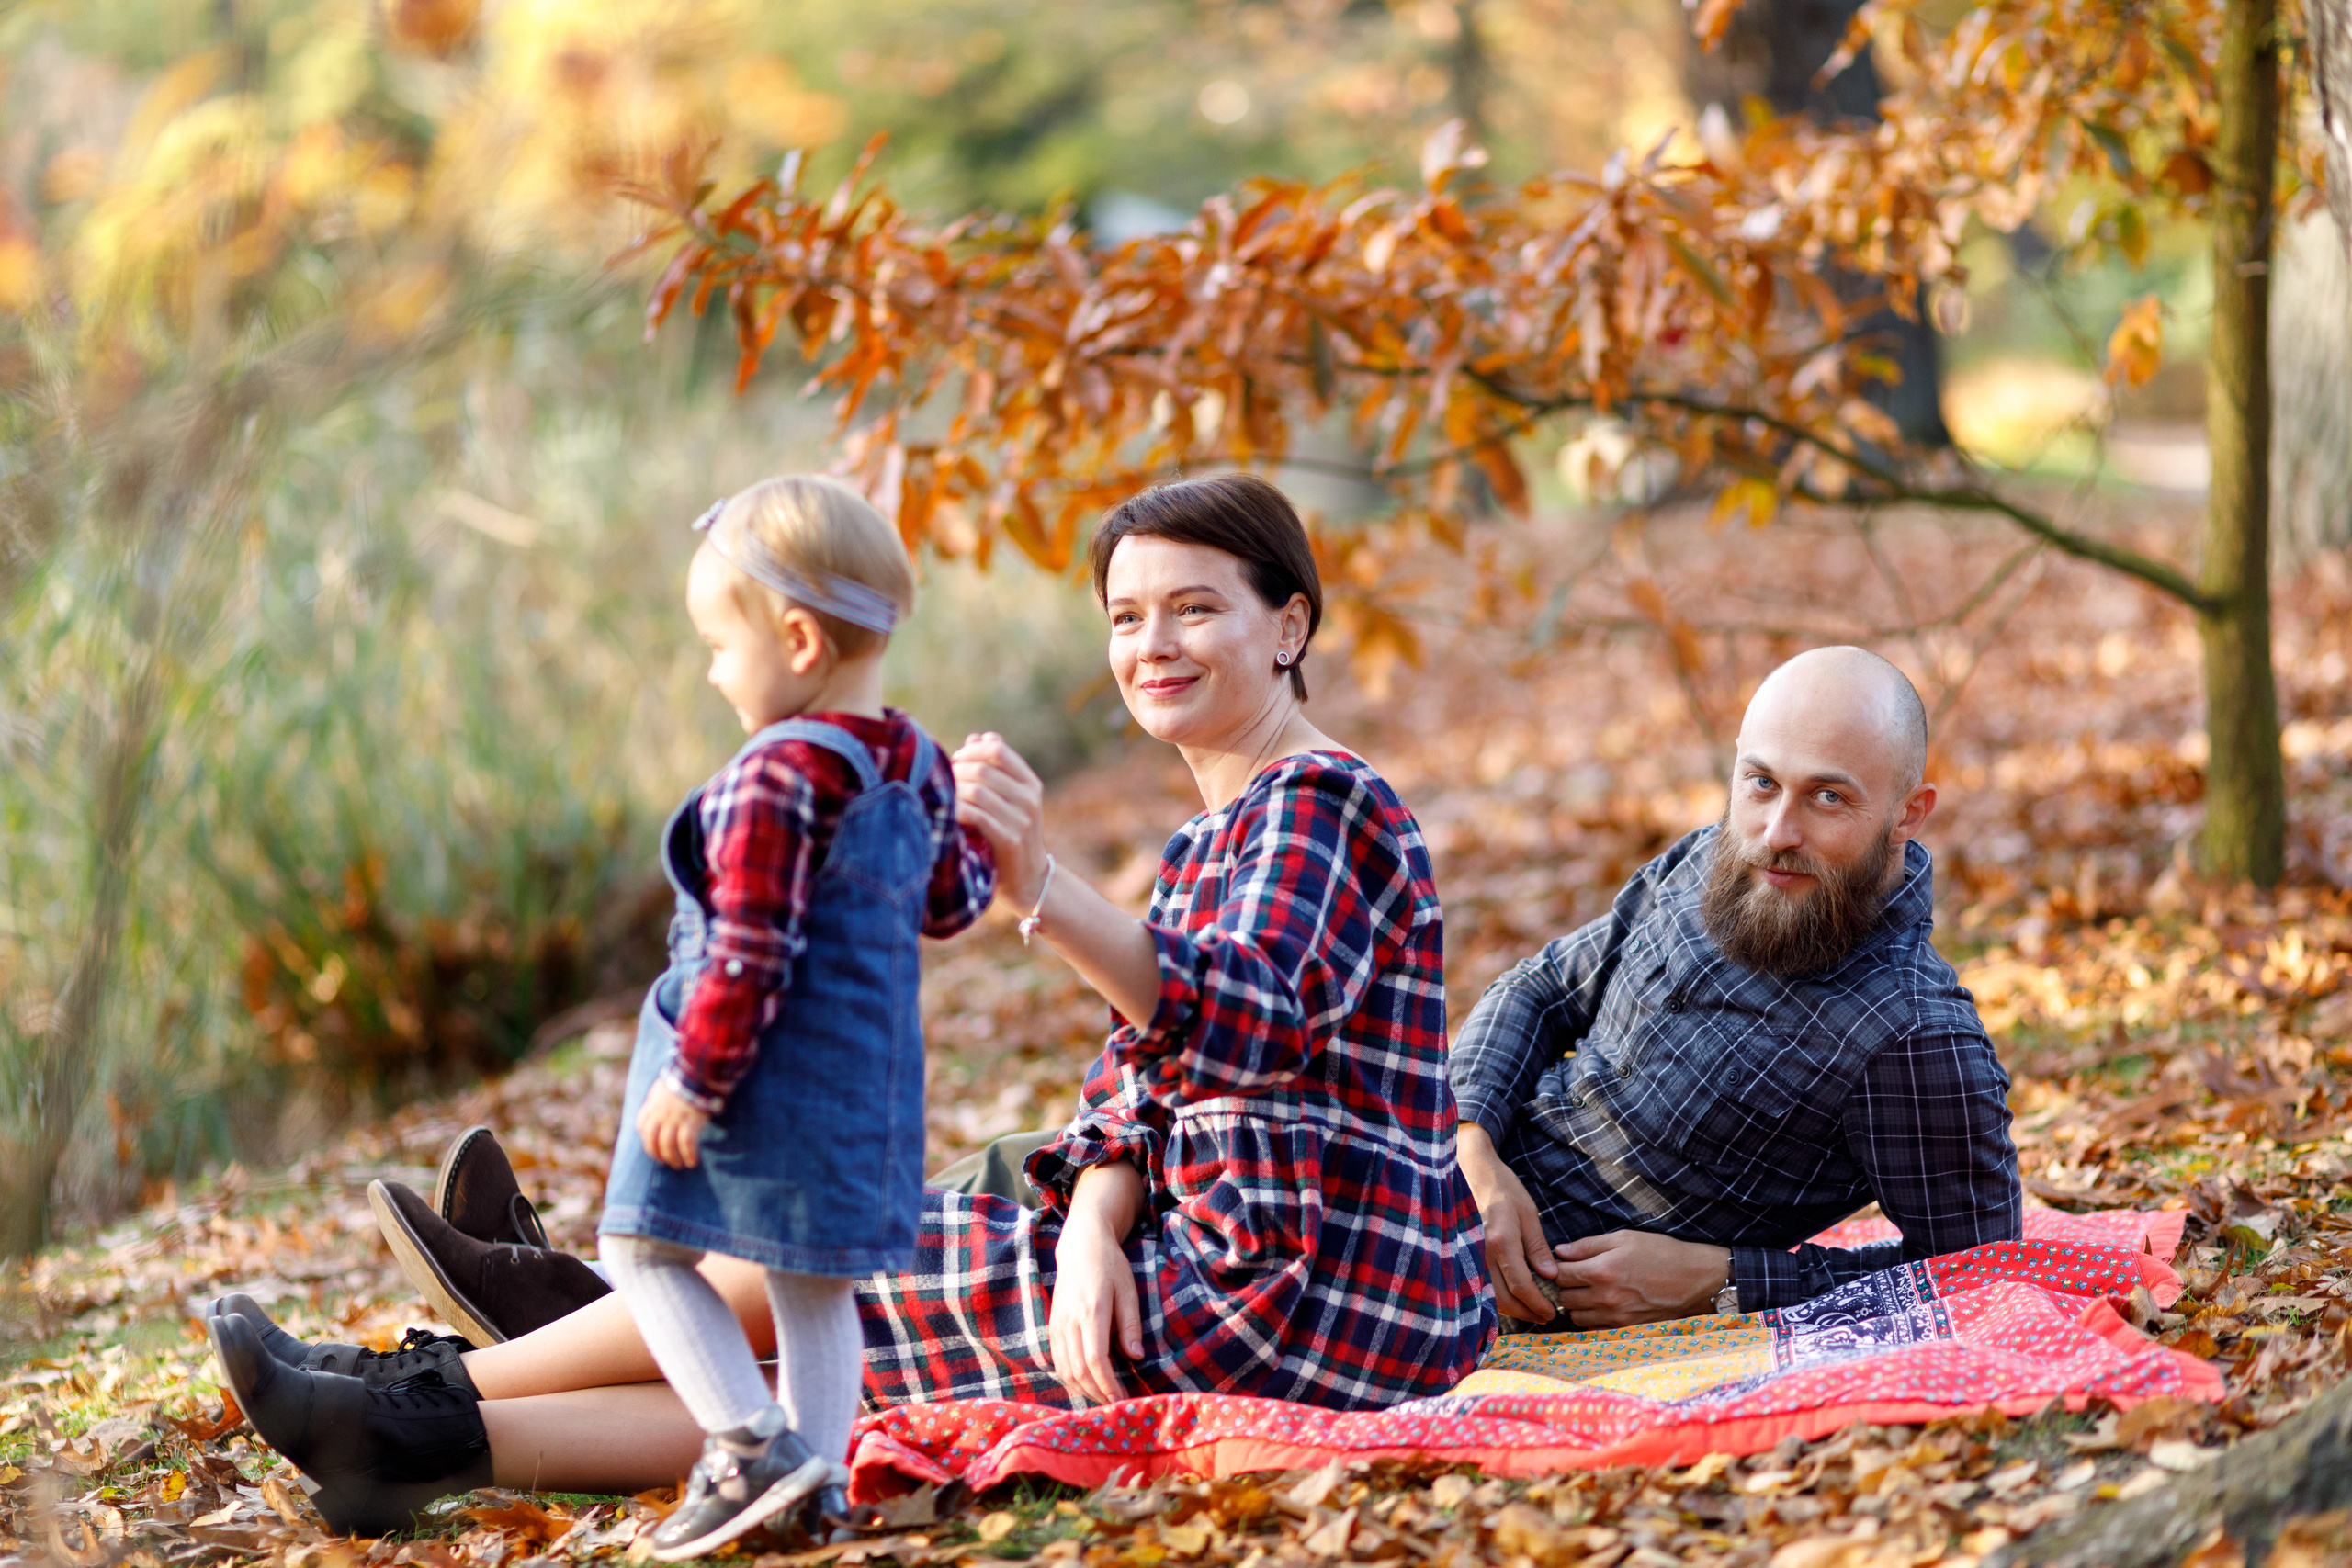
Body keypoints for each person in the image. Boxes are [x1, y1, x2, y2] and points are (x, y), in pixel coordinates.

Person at [207, 472, 1493, 1526]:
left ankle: (419, 1384)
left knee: (834, 1252)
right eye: (1124, 616)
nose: (1151, 645)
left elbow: (1246, 1014)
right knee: (832, 1386)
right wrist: (1094, 1224)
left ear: (1290, 625)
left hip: (1317, 1292)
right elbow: (1140, 1089)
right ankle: (409, 1437)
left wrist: (1042, 885)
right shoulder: (1216, 834)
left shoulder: (1328, 801)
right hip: (1237, 1261)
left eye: (1194, 609)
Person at [209, 477, 996, 1543]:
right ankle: (815, 1485)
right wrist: (988, 835)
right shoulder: (918, 764)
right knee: (814, 1289)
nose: (715, 671)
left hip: (761, 1085)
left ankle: (747, 1442)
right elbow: (950, 905)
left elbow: (750, 952)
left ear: (799, 642)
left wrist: (697, 1079)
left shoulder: (775, 776)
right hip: (874, 1097)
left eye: (721, 646)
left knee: (643, 1254)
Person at [1452, 645, 2021, 1334]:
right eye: (1760, 783)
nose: (1777, 832)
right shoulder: (1709, 862)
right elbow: (1542, 987)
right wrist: (1470, 1143)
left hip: (1479, 1300)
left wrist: (1723, 1280)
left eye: (1827, 796)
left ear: (1908, 814)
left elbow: (1979, 1273)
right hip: (1428, 1165)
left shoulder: (1912, 1035)